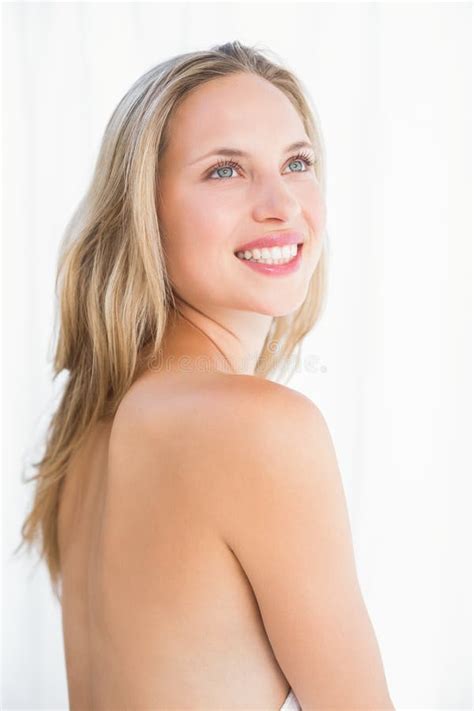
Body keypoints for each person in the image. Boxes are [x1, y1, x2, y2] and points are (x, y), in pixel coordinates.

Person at [17, 41, 395, 710]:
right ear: (144, 210)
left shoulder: (93, 428)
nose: (282, 204)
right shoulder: (259, 426)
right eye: (226, 171)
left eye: (297, 162)